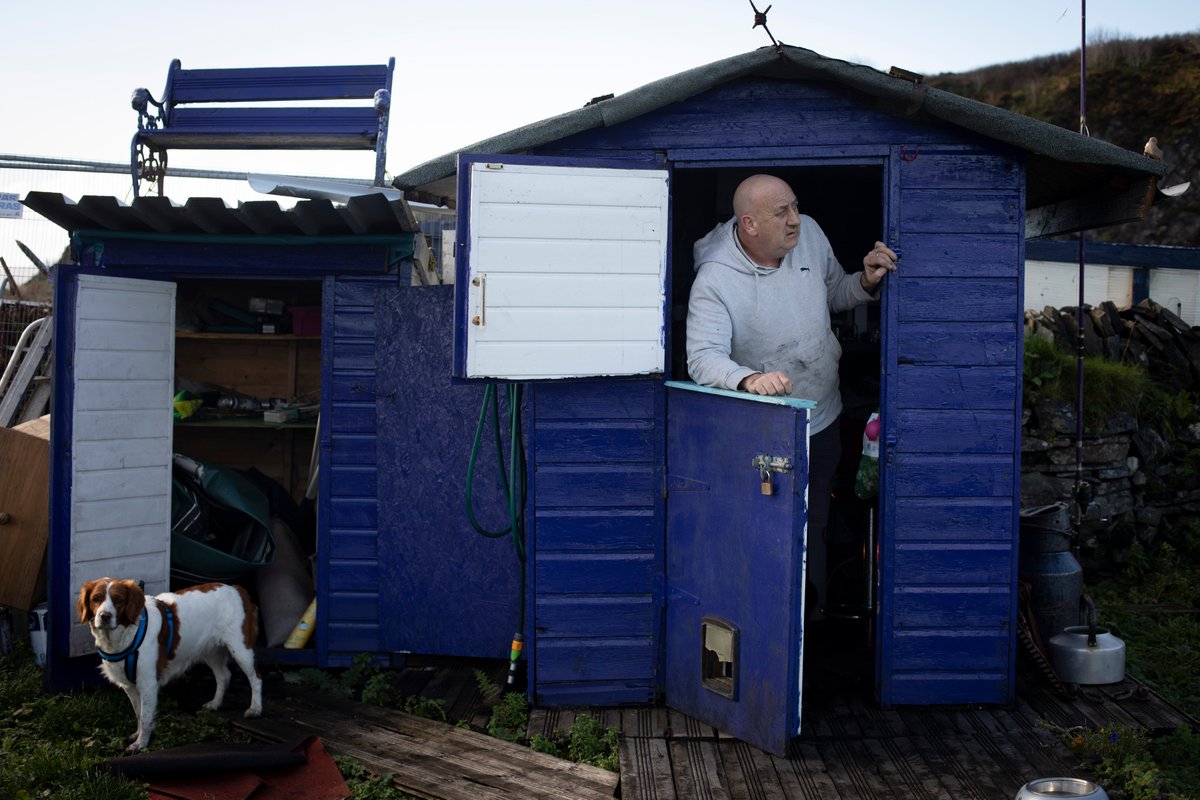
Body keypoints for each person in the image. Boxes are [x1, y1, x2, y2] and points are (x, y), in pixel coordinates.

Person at [685, 173, 897, 610]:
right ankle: (764, 617)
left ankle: (810, 613)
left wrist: (866, 281)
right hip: (763, 430)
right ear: (749, 225)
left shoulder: (811, 235)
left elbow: (834, 291)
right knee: (765, 524)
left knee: (814, 517)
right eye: (782, 212)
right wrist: (747, 379)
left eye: (795, 207)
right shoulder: (714, 280)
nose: (796, 220)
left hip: (822, 415)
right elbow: (703, 358)